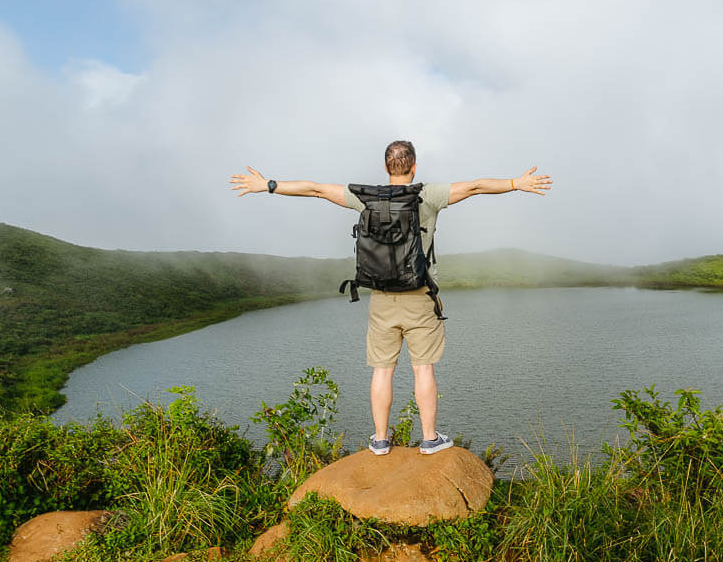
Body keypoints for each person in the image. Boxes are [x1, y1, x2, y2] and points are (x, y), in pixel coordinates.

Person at [229, 140, 552, 455]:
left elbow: (315, 189)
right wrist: (516, 183)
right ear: (413, 166)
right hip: (421, 296)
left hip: (381, 297)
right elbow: (477, 186)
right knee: (422, 369)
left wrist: (268, 185)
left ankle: (380, 441)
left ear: (386, 167)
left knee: (382, 370)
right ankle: (429, 440)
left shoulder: (364, 197)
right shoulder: (428, 194)